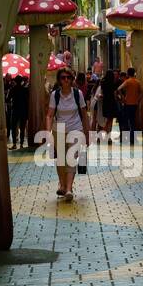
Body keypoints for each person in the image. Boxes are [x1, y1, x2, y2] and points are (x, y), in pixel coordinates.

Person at [45, 66, 89, 202]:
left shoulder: (78, 94)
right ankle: (62, 185)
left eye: (68, 77)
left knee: (70, 159)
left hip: (75, 129)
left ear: (72, 79)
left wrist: (88, 134)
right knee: (61, 160)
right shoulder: (55, 95)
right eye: (63, 77)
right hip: (58, 129)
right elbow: (50, 115)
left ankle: (69, 188)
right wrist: (48, 133)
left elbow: (84, 114)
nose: (66, 80)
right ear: (59, 80)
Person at [116, 67, 143, 146]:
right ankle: (133, 139)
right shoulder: (137, 82)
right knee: (133, 122)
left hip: (127, 104)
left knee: (125, 121)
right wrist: (138, 100)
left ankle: (125, 138)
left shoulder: (127, 82)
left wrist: (123, 98)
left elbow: (118, 89)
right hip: (135, 104)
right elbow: (142, 93)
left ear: (128, 74)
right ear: (134, 73)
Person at [92, 68, 119, 139]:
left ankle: (98, 137)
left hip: (104, 104)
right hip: (112, 103)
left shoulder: (103, 83)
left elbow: (101, 93)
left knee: (101, 120)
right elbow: (115, 94)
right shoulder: (114, 83)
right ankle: (109, 137)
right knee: (110, 121)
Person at [9, 75, 29, 149]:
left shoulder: (12, 89)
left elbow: (8, 99)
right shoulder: (25, 90)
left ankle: (14, 144)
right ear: (22, 81)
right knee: (22, 127)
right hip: (23, 110)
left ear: (15, 81)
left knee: (14, 128)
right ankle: (21, 144)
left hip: (15, 110)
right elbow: (27, 102)